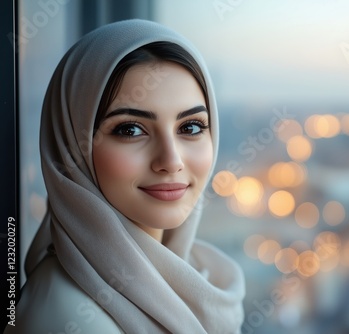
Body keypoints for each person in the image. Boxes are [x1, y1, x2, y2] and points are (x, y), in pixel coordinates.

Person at [5, 19, 245, 334]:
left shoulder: (194, 274)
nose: (171, 161)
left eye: (191, 127)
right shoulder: (70, 319)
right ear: (72, 146)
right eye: (130, 130)